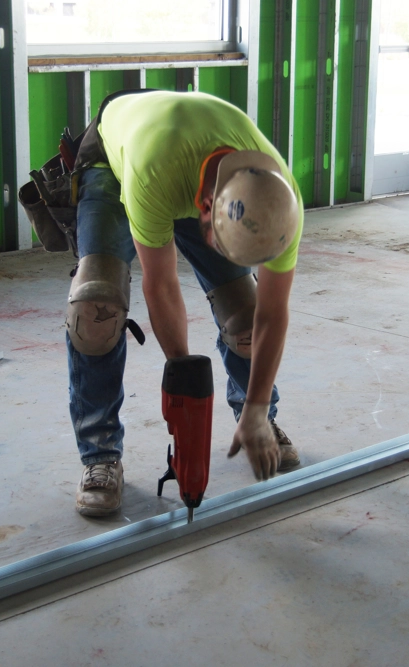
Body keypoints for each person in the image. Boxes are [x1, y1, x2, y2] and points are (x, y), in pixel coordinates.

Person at [64, 90, 304, 517]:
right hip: (117, 158)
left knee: (244, 314)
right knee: (95, 309)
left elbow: (272, 313)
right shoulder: (154, 172)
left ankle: (259, 422)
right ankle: (100, 454)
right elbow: (161, 285)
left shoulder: (281, 204)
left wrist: (257, 406)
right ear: (206, 208)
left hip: (189, 150)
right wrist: (186, 388)